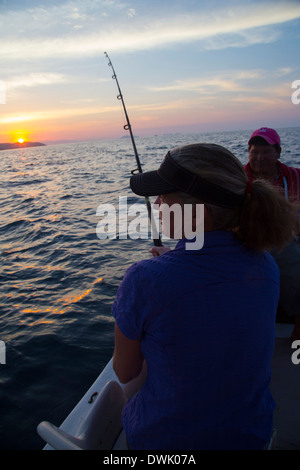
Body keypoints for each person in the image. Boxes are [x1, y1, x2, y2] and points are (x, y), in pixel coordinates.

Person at [112, 143, 298, 450]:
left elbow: (125, 371)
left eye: (164, 195)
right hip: (252, 436)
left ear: (196, 210)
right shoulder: (266, 263)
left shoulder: (144, 279)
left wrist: (158, 274)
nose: (157, 202)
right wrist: (175, 261)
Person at [245, 127, 300, 339]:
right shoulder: (238, 177)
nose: (259, 157)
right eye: (254, 151)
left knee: (291, 261)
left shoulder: (295, 176)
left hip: (286, 240)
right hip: (248, 240)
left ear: (278, 152)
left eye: (266, 151)